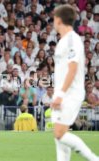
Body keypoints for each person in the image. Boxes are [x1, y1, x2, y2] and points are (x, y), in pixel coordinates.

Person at [51, 5, 99, 161]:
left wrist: (61, 94)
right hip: (62, 93)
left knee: (59, 133)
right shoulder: (63, 41)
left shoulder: (72, 40)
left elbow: (73, 69)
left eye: (54, 18)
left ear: (58, 20)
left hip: (71, 93)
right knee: (59, 138)